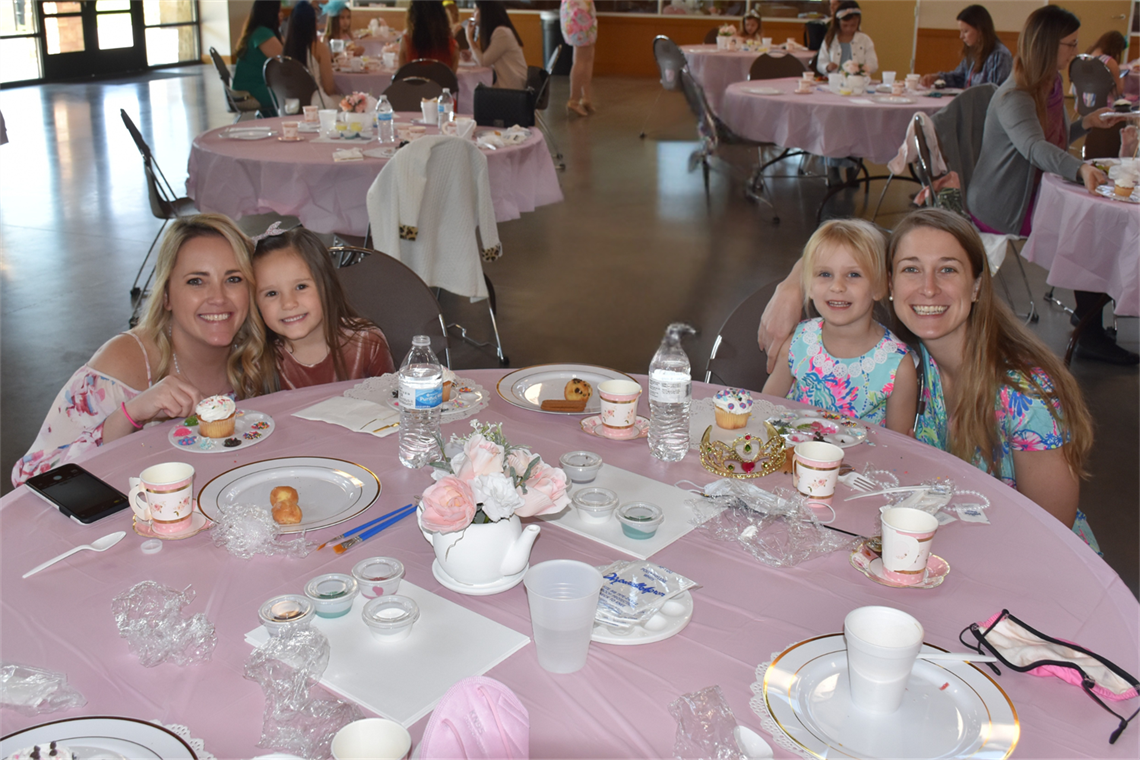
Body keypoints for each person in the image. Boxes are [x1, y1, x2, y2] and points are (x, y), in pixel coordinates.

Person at [757, 209, 1096, 543]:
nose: (928, 288)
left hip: (1022, 559)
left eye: (947, 269)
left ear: (976, 286)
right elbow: (851, 247)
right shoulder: (923, 359)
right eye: (911, 269)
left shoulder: (1027, 396)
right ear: (889, 283)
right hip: (936, 540)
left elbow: (1052, 534)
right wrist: (791, 285)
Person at [13, 215, 273, 488]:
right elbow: (30, 480)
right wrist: (129, 415)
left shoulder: (256, 349)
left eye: (233, 279)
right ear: (166, 296)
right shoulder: (124, 361)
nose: (218, 297)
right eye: (196, 281)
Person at [967, 6, 1132, 364]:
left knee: (1092, 225)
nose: (1075, 51)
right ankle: (1089, 325)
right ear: (1046, 45)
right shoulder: (1016, 95)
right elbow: (1034, 148)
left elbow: (1049, 145)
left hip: (1033, 191)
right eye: (1069, 44)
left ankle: (1089, 315)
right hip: (1002, 204)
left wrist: (1086, 122)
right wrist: (1079, 169)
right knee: (1089, 230)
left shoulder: (1050, 84)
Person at [763, 220, 917, 434]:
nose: (837, 286)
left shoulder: (898, 366)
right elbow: (765, 410)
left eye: (853, 275)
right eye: (824, 274)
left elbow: (899, 447)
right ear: (809, 285)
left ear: (879, 286)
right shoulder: (797, 343)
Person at [252, 226, 395, 390]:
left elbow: (391, 408)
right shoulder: (256, 362)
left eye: (300, 287)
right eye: (271, 293)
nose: (288, 303)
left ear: (326, 285)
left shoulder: (368, 344)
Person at [919, 5, 1012, 89]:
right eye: (961, 31)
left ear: (980, 30)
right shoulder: (974, 52)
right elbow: (959, 77)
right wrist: (937, 77)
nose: (961, 36)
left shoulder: (999, 56)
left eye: (965, 31)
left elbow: (993, 92)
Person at [232, 0, 284, 117]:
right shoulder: (263, 34)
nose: (281, 15)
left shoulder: (258, 31)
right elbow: (286, 60)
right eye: (278, 11)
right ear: (269, 12)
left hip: (250, 86)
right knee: (291, 94)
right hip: (251, 90)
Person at [283, 0, 339, 108]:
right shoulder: (319, 47)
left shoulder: (286, 48)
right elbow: (329, 88)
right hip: (315, 105)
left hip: (291, 106)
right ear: (312, 22)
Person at [465, 0, 527, 91]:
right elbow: (484, 59)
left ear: (484, 12)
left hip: (513, 89)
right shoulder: (497, 31)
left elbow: (483, 62)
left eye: (475, 10)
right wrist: (471, 55)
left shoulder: (502, 33)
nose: (473, 14)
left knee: (477, 94)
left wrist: (469, 39)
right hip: (507, 85)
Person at [816, 0, 877, 76]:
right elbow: (820, 63)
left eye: (853, 25)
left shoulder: (865, 40)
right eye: (845, 25)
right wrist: (827, 66)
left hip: (858, 82)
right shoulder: (830, 39)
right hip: (835, 81)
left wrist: (863, 68)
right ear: (838, 23)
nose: (849, 29)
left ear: (858, 23)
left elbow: (873, 64)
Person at [561, 0, 597, 116]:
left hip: (582, 9)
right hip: (579, 12)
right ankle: (574, 100)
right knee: (581, 58)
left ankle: (586, 97)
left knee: (588, 55)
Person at [399, 0, 459, 70]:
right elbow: (451, 79)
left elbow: (401, 77)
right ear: (442, 18)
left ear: (413, 18)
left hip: (414, 81)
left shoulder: (406, 43)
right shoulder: (453, 46)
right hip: (440, 81)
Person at [1086, 30, 1128, 97]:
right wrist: (1122, 75)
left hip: (1082, 101)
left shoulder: (1087, 56)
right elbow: (1117, 91)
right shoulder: (1109, 61)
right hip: (1102, 104)